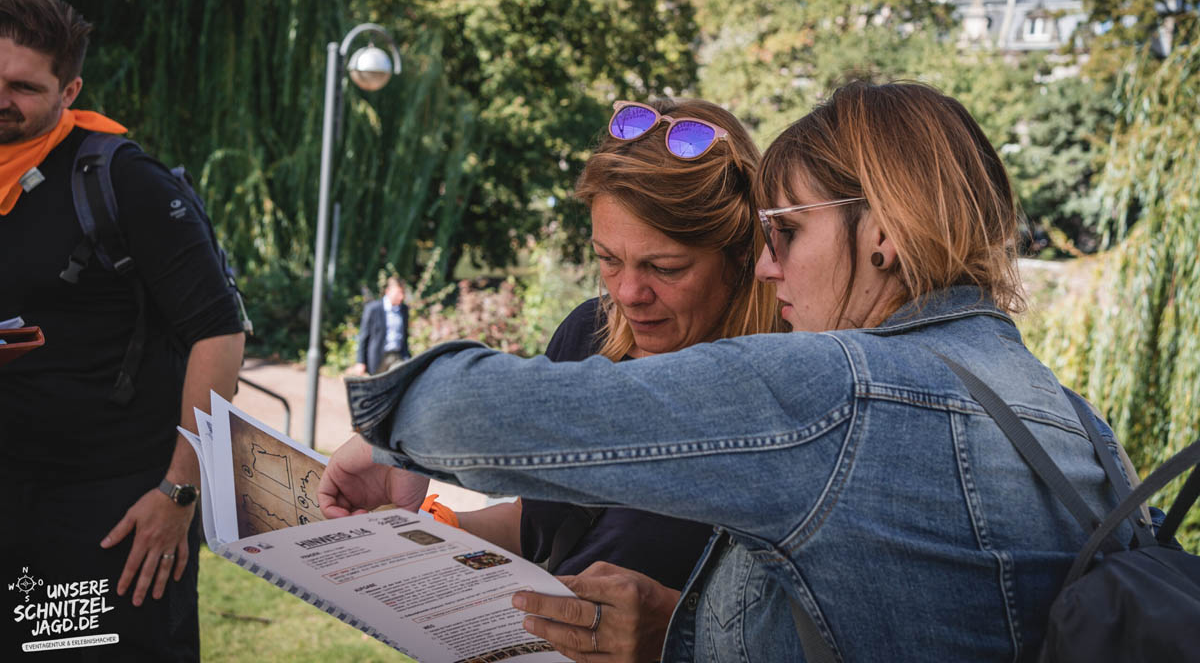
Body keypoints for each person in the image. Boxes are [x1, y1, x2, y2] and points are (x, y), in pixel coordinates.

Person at [319, 79, 1141, 661]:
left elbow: (465, 415)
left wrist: (389, 430)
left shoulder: (839, 388)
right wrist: (679, 634)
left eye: (787, 233)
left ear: (883, 234)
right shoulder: (1075, 422)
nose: (768, 264)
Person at [321, 98, 780, 661]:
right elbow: (541, 522)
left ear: (740, 255)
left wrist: (682, 630)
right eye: (607, 259)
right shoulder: (588, 332)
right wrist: (424, 533)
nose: (627, 293)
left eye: (665, 268)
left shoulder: (783, 387)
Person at [0, 0, 246, 661]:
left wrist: (179, 492)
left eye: (23, 87)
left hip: (112, 511)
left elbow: (219, 335)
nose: (1, 100)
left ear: (69, 91)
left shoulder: (122, 180)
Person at [350, 275, 410, 375]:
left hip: (397, 356)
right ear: (388, 291)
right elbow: (364, 336)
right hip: (378, 358)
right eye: (398, 293)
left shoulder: (404, 310)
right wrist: (360, 362)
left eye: (403, 293)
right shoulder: (373, 309)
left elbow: (405, 336)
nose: (401, 297)